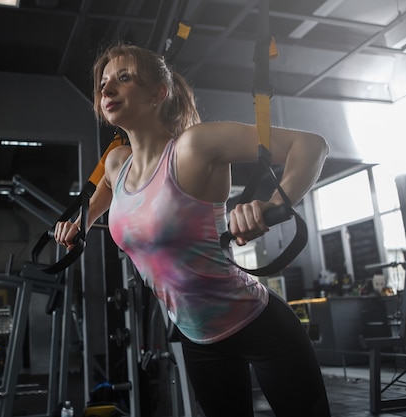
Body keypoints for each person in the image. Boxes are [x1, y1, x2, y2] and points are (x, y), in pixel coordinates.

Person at [54, 43, 331, 416]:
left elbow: (311, 145)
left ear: (158, 94)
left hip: (260, 326)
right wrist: (81, 224)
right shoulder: (117, 163)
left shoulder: (193, 147)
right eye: (103, 83)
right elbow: (101, 197)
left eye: (123, 79)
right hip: (198, 339)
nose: (106, 90)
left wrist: (276, 205)